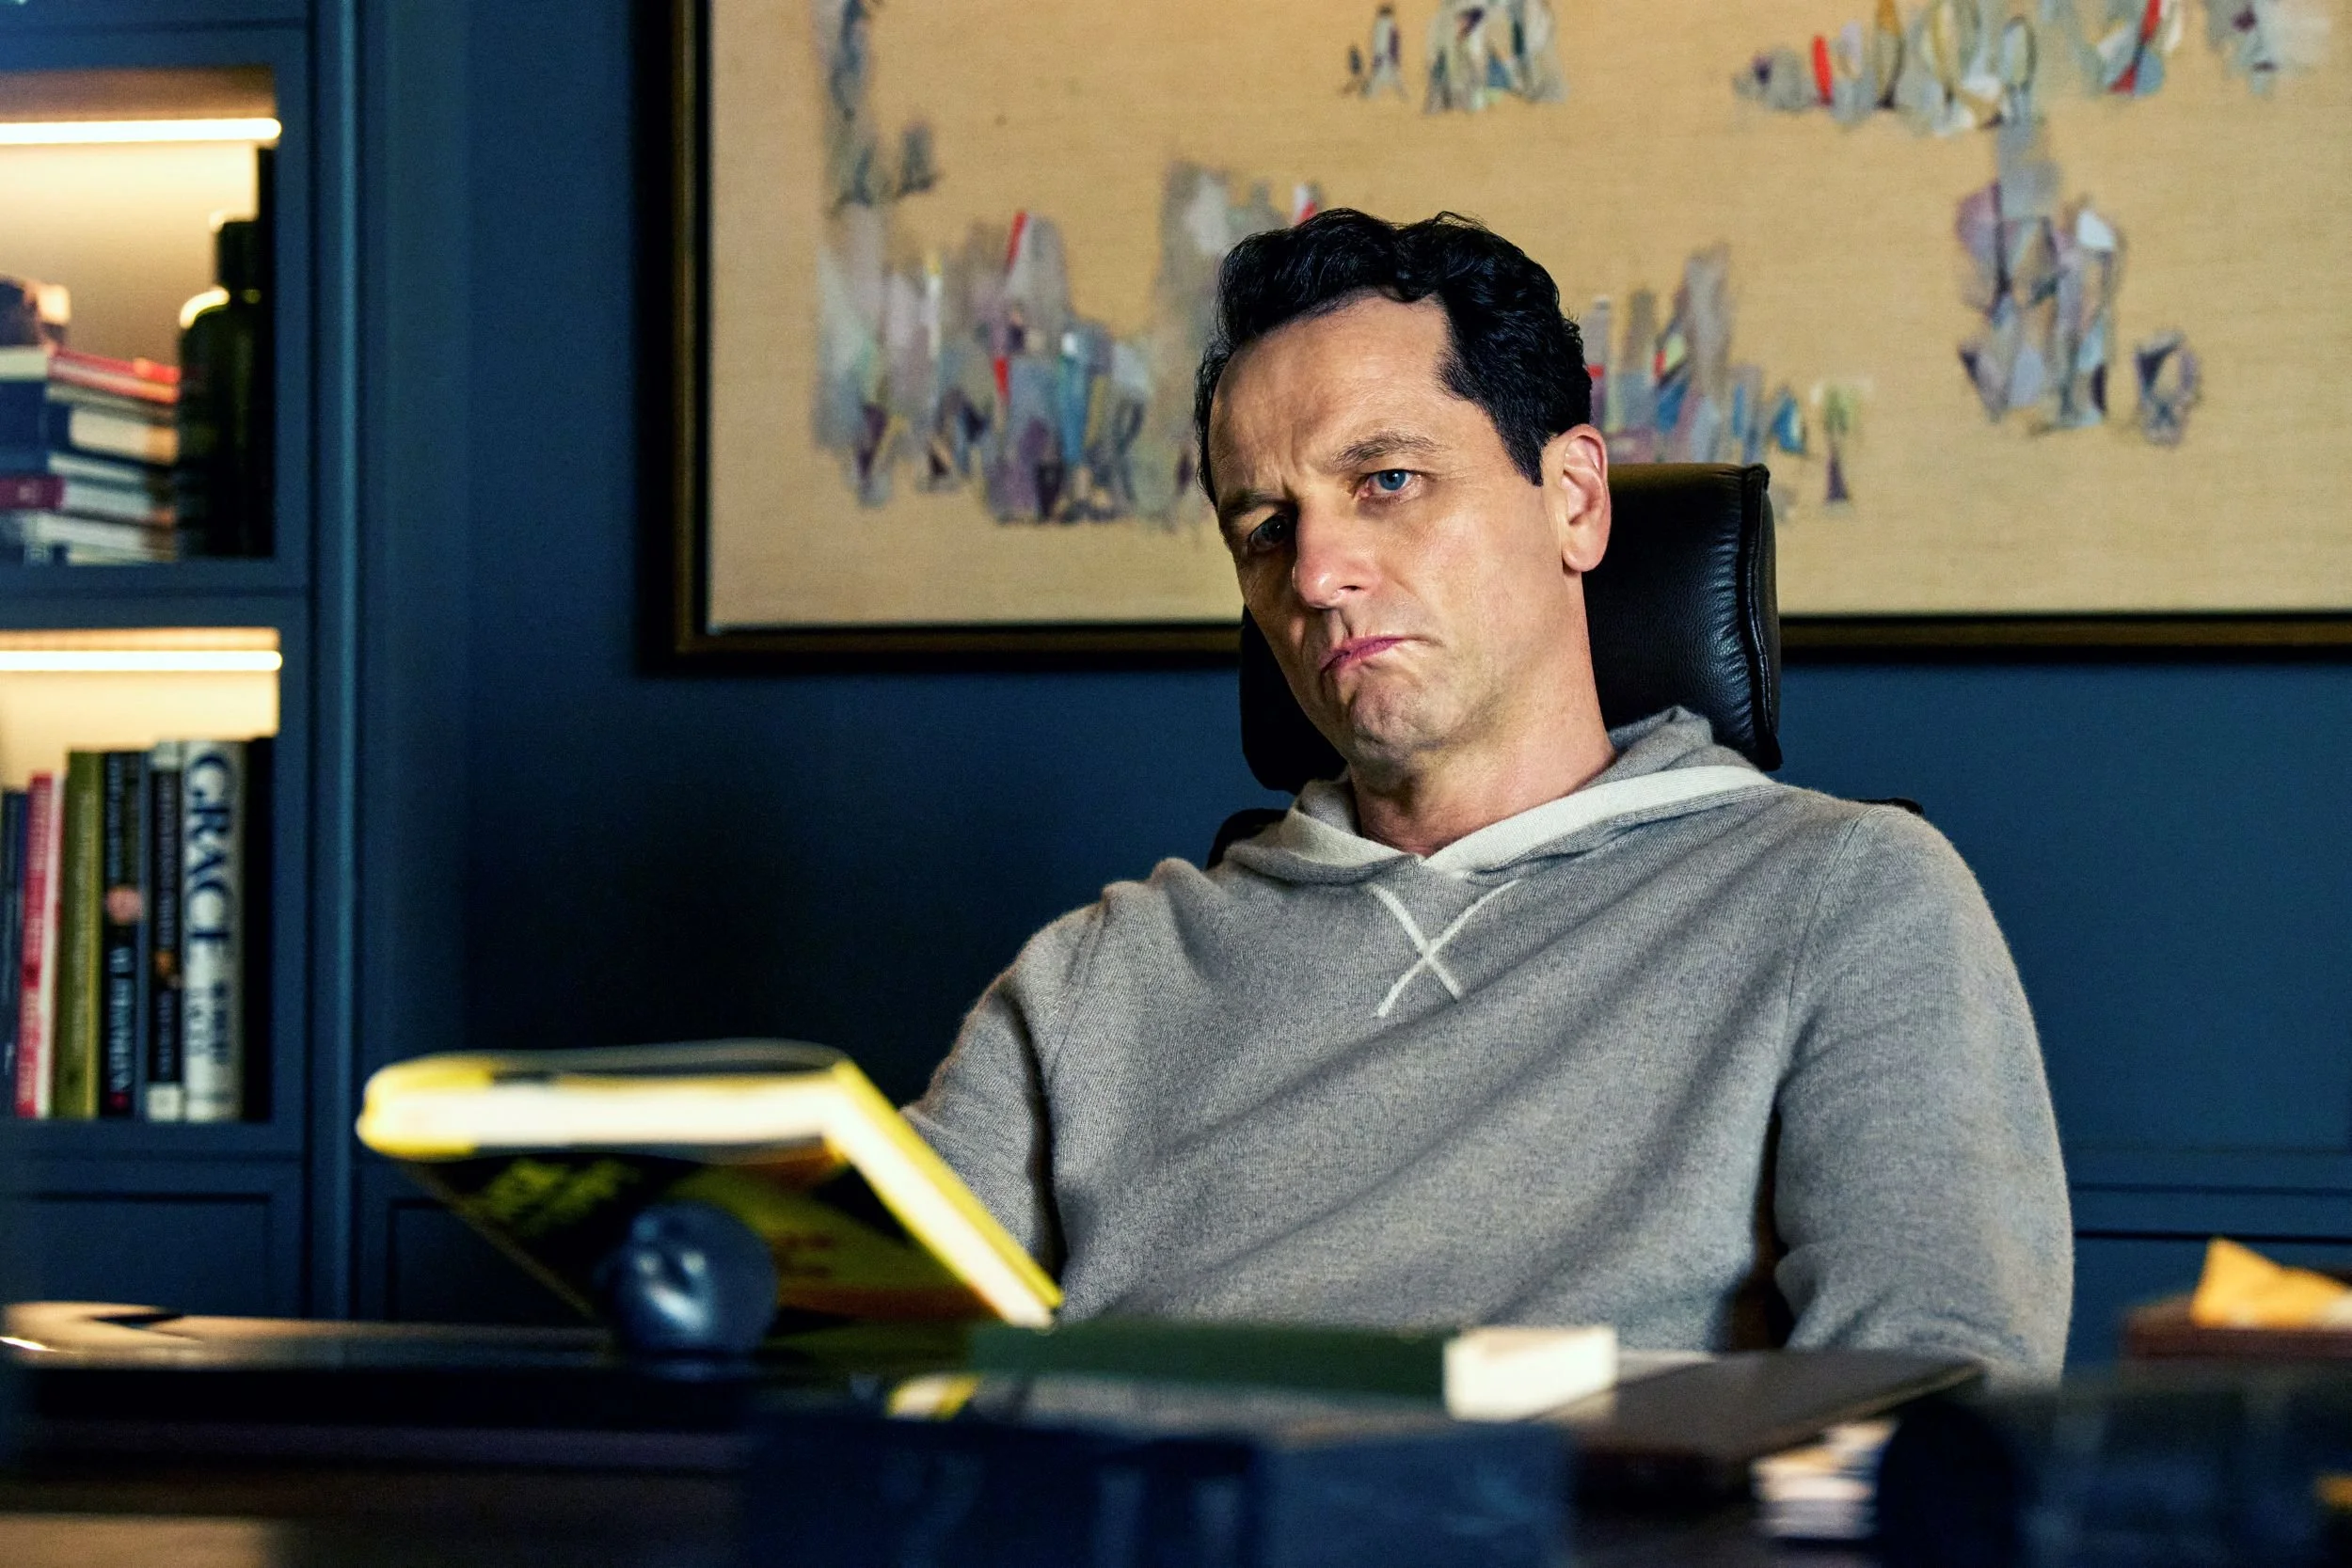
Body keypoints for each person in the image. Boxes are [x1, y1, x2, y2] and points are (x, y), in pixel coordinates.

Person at [908, 210, 2071, 1376]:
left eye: (1387, 479)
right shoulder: (1095, 978)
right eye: (1264, 528)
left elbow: (1934, 1394)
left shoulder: (1844, 896)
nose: (1316, 573)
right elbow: (853, 1348)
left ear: (1574, 499)